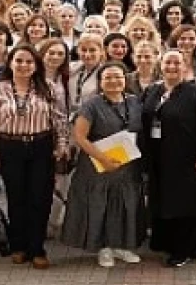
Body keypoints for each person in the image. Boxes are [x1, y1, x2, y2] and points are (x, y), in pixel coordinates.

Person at [0, 45, 70, 269]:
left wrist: (61, 145)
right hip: (10, 147)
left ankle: (37, 248)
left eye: (29, 62)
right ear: (10, 63)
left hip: (41, 146)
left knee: (40, 198)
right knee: (16, 197)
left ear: (36, 65)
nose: (23, 66)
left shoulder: (48, 87)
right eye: (19, 61)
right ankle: (18, 246)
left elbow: (60, 121)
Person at [140, 49, 196, 267]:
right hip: (158, 156)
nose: (172, 67)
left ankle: (183, 249)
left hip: (186, 157)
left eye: (177, 63)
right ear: (161, 65)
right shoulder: (152, 91)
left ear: (185, 66)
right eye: (168, 62)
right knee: (162, 199)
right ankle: (164, 241)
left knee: (183, 202)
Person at [62, 61, 145, 267]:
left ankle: (121, 246)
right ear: (100, 82)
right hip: (97, 164)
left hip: (126, 164)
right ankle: (104, 248)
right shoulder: (91, 105)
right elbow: (80, 137)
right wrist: (103, 159)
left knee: (125, 204)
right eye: (108, 77)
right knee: (101, 205)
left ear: (125, 80)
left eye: (118, 76)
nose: (114, 81)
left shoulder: (134, 102)